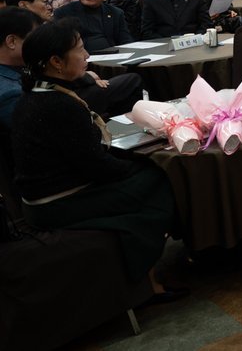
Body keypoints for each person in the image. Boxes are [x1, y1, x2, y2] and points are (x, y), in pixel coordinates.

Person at [9, 20, 179, 292]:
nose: (87, 55)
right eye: (79, 49)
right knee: (157, 179)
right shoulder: (57, 104)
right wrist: (143, 162)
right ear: (56, 62)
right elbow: (96, 166)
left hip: (44, 196)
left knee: (143, 170)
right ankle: (148, 280)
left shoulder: (37, 94)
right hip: (57, 203)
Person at [54, 0, 135, 51]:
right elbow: (61, 44)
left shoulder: (116, 13)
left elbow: (126, 41)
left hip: (113, 56)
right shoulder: (64, 13)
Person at [0, 7, 37, 129]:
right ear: (11, 42)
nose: (41, 44)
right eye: (35, 38)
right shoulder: (12, 94)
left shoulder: (20, 67)